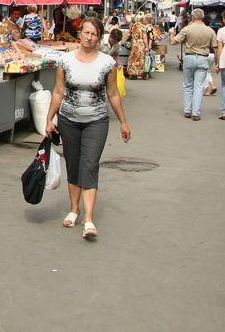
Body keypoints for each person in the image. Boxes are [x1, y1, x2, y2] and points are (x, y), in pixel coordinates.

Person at [45, 18, 131, 239]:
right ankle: (74, 209)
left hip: (96, 121)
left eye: (93, 34)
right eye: (85, 32)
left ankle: (89, 219)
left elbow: (112, 93)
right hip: (68, 120)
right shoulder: (65, 60)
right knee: (73, 164)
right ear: (80, 34)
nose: (89, 37)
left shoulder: (106, 63)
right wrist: (49, 119)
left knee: (90, 164)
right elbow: (57, 91)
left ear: (99, 36)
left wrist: (123, 121)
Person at [170, 8, 218, 120]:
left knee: (188, 85)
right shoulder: (210, 31)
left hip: (189, 57)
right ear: (202, 17)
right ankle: (196, 112)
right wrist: (217, 62)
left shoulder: (187, 29)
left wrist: (171, 33)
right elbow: (216, 48)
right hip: (203, 58)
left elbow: (173, 42)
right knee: (199, 86)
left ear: (192, 17)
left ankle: (187, 110)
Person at [126, 13, 151, 80]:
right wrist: (147, 46)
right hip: (140, 44)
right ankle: (139, 74)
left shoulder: (133, 26)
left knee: (133, 58)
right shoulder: (143, 27)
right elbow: (145, 37)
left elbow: (128, 34)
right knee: (140, 59)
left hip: (134, 43)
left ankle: (132, 74)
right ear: (142, 20)